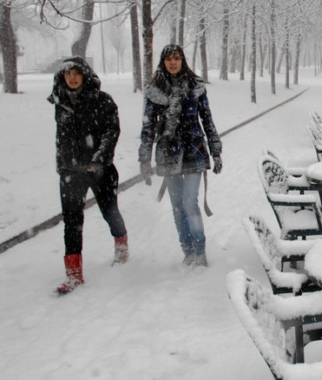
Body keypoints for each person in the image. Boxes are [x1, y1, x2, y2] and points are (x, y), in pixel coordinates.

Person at [47, 56, 128, 295]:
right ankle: (73, 275)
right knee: (72, 222)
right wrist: (62, 165)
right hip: (71, 173)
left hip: (100, 171)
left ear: (84, 75)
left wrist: (99, 159)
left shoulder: (102, 101)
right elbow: (60, 138)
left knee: (109, 212)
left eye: (76, 73)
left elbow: (112, 131)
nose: (72, 78)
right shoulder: (60, 102)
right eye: (67, 74)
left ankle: (121, 244)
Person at [139, 44, 222, 267]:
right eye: (168, 59)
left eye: (176, 58)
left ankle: (200, 250)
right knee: (177, 204)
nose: (173, 62)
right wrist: (144, 159)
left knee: (190, 202)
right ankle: (187, 250)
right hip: (168, 152)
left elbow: (207, 119)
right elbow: (148, 127)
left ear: (182, 60)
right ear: (163, 62)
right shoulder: (155, 90)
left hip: (194, 150)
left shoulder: (195, 86)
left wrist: (216, 150)